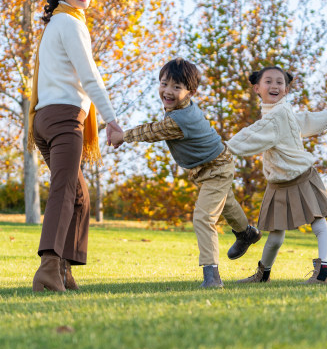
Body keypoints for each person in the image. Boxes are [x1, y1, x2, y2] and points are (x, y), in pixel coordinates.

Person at [109, 58, 261, 288]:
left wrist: (123, 136)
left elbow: (152, 131)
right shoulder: (180, 108)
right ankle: (246, 233)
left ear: (191, 92)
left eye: (177, 87)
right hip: (211, 167)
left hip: (217, 168)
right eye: (164, 84)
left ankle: (212, 277)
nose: (168, 91)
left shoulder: (179, 120)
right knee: (227, 204)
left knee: (203, 216)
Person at [29, 0, 122, 292]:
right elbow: (90, 76)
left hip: (45, 118)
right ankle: (48, 268)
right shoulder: (70, 23)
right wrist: (112, 121)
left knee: (80, 195)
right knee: (64, 190)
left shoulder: (55, 25)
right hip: (64, 117)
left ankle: (64, 271)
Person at [225, 66, 327, 285]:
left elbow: (252, 135)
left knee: (318, 224)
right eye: (268, 81)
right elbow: (306, 122)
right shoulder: (280, 113)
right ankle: (263, 275)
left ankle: (323, 273)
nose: (274, 86)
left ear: (286, 89)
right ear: (256, 89)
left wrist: (222, 148)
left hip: (300, 176)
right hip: (278, 182)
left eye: (280, 82)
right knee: (275, 235)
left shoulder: (277, 116)